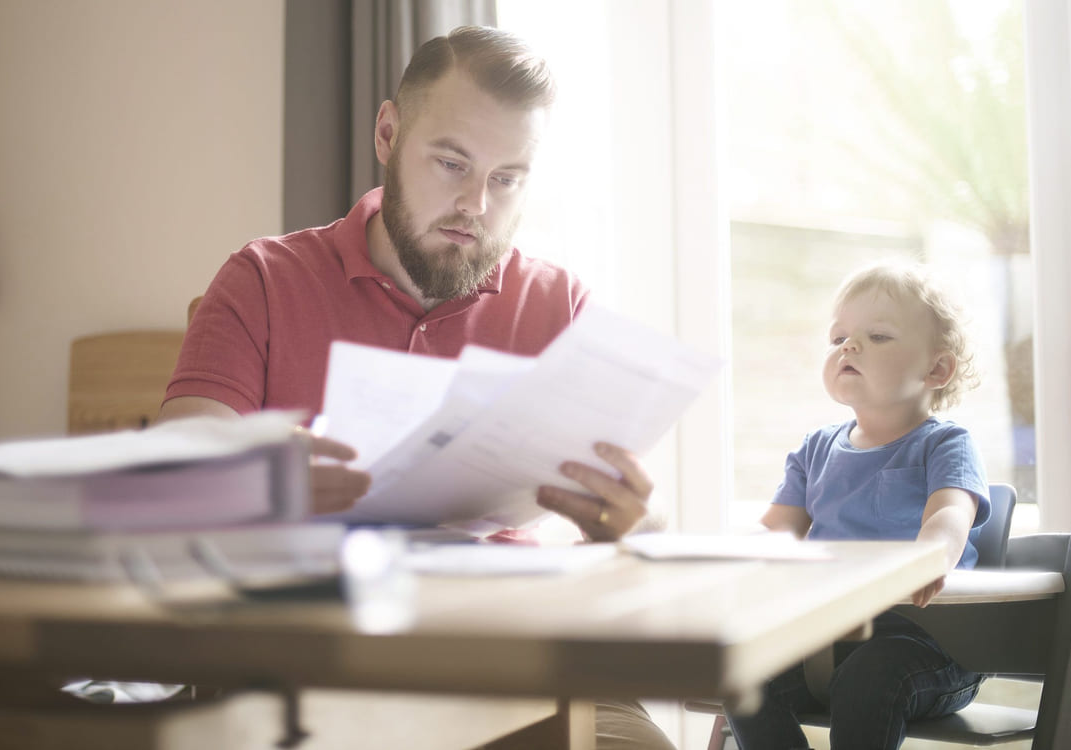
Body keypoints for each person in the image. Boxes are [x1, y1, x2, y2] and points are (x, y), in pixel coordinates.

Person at [158, 25, 675, 750]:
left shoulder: (560, 306)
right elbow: (169, 474)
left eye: (506, 179)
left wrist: (630, 524)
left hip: (515, 661)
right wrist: (257, 478)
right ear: (387, 132)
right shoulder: (264, 280)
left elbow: (638, 529)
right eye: (451, 163)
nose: (475, 204)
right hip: (314, 661)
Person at [724, 260, 992, 749]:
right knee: (742, 670)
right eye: (838, 338)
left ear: (936, 368)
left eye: (879, 336)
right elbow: (775, 536)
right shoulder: (815, 449)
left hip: (930, 645)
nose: (849, 346)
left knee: (872, 676)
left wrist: (927, 556)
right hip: (827, 645)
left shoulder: (945, 444)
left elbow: (951, 516)